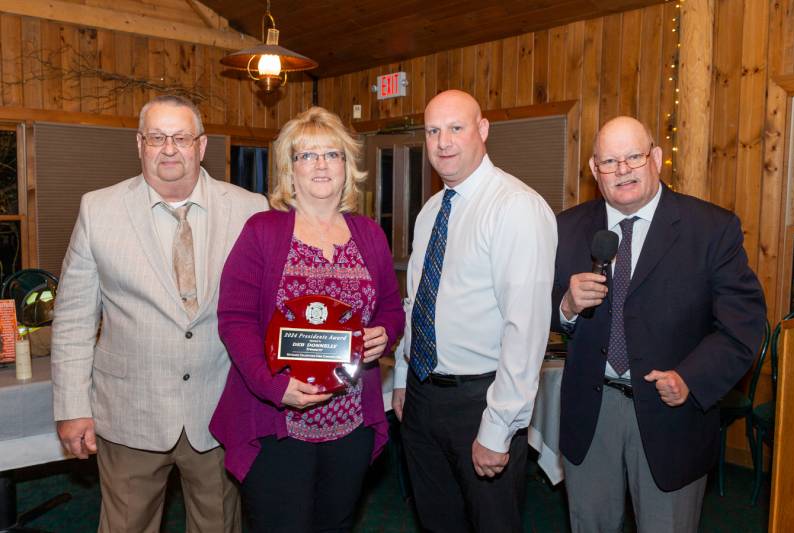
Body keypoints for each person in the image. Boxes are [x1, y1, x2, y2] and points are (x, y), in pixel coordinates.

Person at [51, 95, 268, 533]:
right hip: (130, 412)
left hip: (219, 412)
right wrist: (72, 406)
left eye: (181, 137)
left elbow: (267, 311)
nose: (169, 148)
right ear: (139, 144)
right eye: (157, 137)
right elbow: (73, 318)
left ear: (201, 146)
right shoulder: (99, 210)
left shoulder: (251, 210)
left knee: (219, 527)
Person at [552, 116, 766, 532]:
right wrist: (565, 305)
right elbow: (538, 306)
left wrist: (690, 378)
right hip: (590, 414)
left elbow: (744, 326)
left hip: (673, 414)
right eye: (610, 161)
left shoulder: (711, 228)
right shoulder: (567, 227)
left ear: (655, 158)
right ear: (595, 171)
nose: (623, 170)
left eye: (633, 156)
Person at [209, 106, 404, 532]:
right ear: (289, 170)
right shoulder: (262, 231)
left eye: (331, 154)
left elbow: (391, 306)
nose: (320, 165)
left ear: (347, 166)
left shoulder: (369, 234)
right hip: (278, 422)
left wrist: (384, 335)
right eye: (306, 155)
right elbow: (235, 319)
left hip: (351, 423)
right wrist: (274, 387)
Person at [392, 89, 557, 532]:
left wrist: (498, 427)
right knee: (436, 522)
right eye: (432, 131)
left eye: (456, 128)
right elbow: (417, 303)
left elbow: (525, 330)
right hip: (423, 398)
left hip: (480, 402)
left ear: (482, 131)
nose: (443, 141)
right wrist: (404, 380)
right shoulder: (430, 211)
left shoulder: (515, 207)